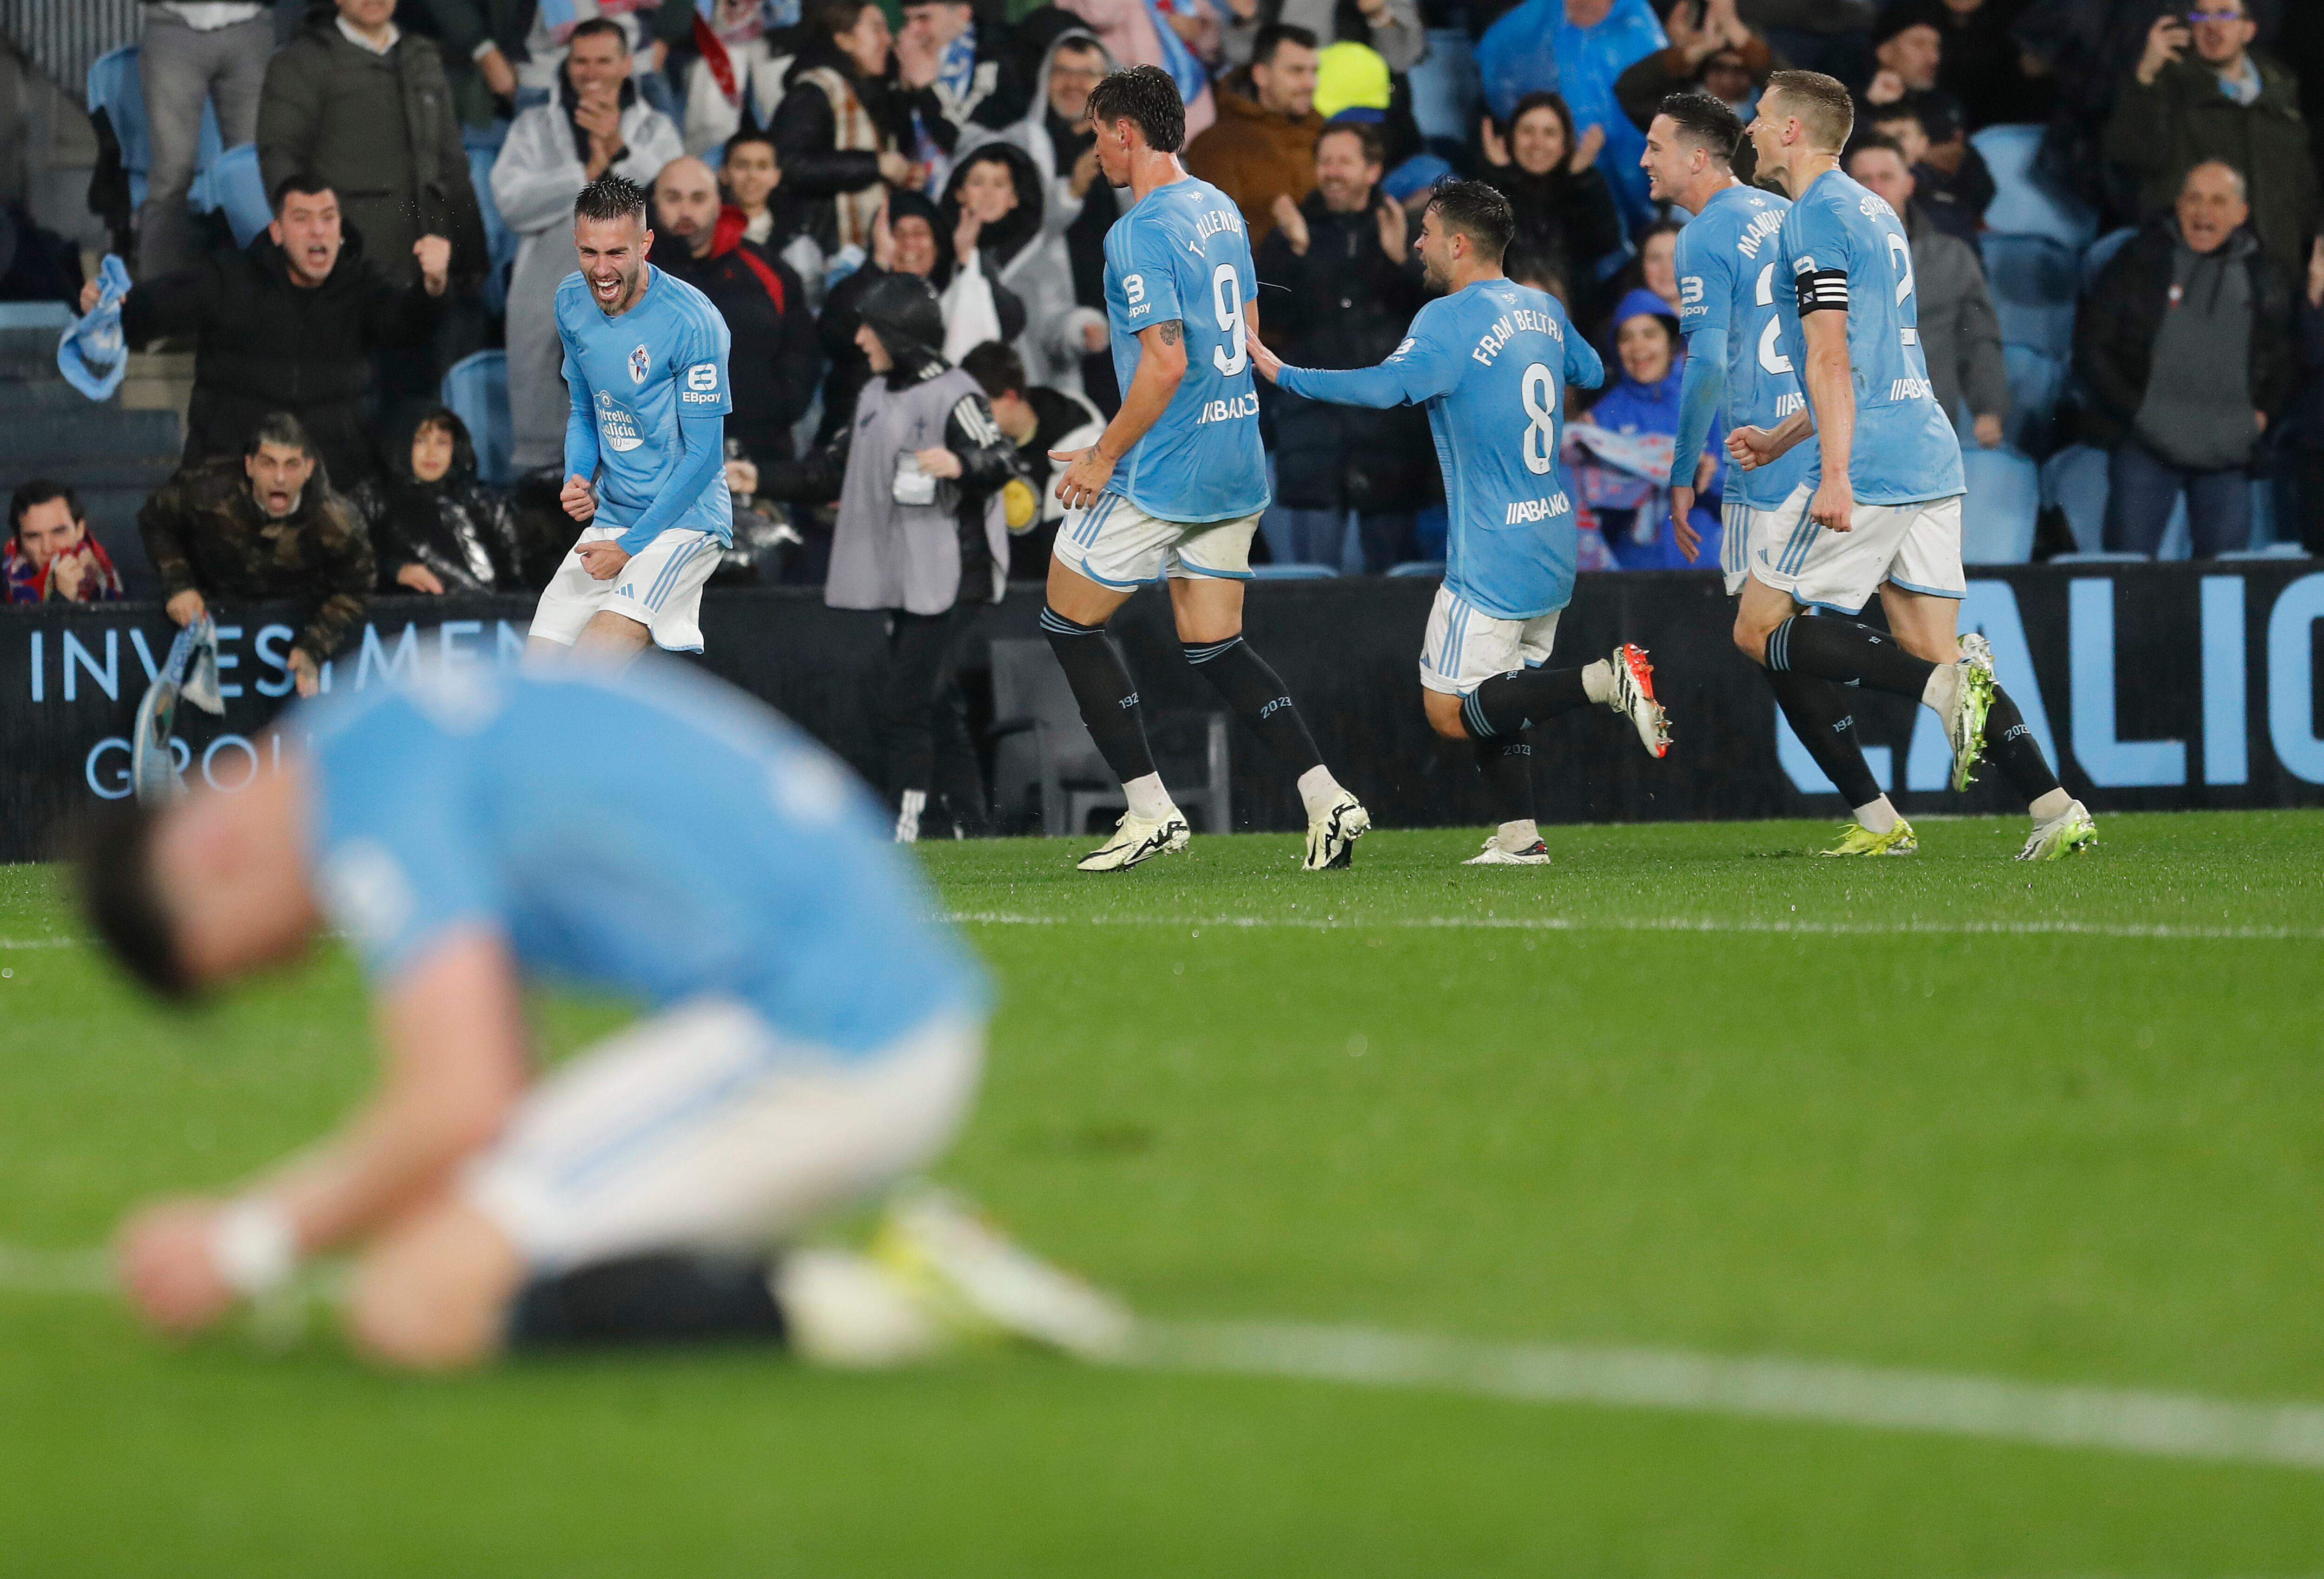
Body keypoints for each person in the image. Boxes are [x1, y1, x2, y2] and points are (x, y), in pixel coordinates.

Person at [82, 662, 1126, 1372]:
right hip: (852, 991)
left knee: (415, 1307)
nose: (301, 956)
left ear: (205, 860)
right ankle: (900, 1283)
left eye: (263, 954)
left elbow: (462, 1096)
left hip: (825, 1033)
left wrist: (244, 1241)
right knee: (435, 1256)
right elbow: (499, 1086)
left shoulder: (362, 788)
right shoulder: (382, 718)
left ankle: (902, 1298)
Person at [1725, 71, 2093, 862]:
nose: (1749, 130)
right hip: (1925, 441)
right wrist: (1782, 439)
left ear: (1793, 130)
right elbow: (1867, 357)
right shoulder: (1873, 209)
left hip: (1874, 460)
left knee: (1760, 629)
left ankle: (1904, 771)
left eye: (1759, 118)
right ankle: (2054, 805)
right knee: (1933, 644)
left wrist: (1831, 470)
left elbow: (1828, 354)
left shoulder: (1814, 219)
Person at [1247, 181, 1670, 866]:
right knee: (1503, 697)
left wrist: (1285, 373)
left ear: (1460, 243)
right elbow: (1590, 370)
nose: (1417, 242)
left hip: (1493, 550)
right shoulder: (1543, 306)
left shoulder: (1446, 319)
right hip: (1552, 537)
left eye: (1426, 230)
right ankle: (1518, 835)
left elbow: (1384, 389)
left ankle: (1606, 679)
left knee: (1451, 709)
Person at [1043, 65, 1369, 872]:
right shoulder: (1219, 204)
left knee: (1065, 617)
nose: (1095, 151)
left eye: (1096, 133)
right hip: (1237, 455)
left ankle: (1150, 808)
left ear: (1126, 131)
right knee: (1214, 642)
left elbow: (1162, 364)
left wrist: (1101, 454)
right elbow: (1248, 321)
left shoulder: (1138, 231)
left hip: (1171, 468)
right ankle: (1329, 797)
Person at [1647, 90, 1905, 841]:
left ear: (1698, 157)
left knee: (1763, 636)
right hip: (1822, 433)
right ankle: (1878, 808)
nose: (1644, 160)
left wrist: (1681, 469)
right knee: (1781, 640)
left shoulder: (1701, 239)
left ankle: (1934, 700)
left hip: (1763, 459)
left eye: (1657, 147)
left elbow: (1703, 368)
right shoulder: (1785, 209)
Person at [754, 277, 1026, 841]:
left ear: (899, 334)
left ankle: (912, 825)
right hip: (911, 573)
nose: (858, 339)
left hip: (958, 573)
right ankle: (972, 828)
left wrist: (959, 464)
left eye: (869, 327)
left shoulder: (957, 393)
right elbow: (830, 471)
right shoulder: (875, 396)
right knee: (936, 699)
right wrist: (758, 477)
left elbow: (1000, 458)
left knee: (907, 700)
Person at [89, 175, 453, 491]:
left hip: (332, 485)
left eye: (329, 219)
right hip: (232, 485)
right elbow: (158, 306)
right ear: (277, 232)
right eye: (302, 219)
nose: (318, 231)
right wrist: (113, 307)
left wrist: (433, 287)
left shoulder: (361, 285)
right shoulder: (230, 279)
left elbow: (408, 324)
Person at [525, 175, 733, 666]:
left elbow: (704, 457)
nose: (601, 271)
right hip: (615, 515)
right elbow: (584, 408)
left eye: (616, 253)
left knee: (591, 666)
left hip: (685, 521)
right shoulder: (570, 302)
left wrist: (630, 545)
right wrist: (578, 475)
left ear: (645, 244)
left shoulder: (694, 323)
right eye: (589, 254)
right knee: (536, 681)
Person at [494, 18, 686, 477]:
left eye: (603, 60)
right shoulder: (533, 126)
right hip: (547, 292)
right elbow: (511, 202)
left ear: (626, 63)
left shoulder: (655, 128)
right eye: (581, 60)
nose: (591, 71)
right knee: (548, 448)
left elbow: (672, 201)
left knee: (633, 436)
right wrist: (584, 174)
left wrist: (618, 150)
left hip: (635, 301)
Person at [2076, 160, 2291, 559]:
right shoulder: (2139, 260)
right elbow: (2095, 343)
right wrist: (2137, 411)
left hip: (2228, 454)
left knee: (2226, 585)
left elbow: (2284, 356)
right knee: (2124, 577)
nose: (2203, 212)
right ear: (2178, 205)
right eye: (2194, 198)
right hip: (2147, 446)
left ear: (2240, 213)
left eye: (2217, 201)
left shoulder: (2266, 275)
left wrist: (2260, 417)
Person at [1253, 120, 1433, 572]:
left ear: (1372, 170)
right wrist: (1294, 250)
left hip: (1388, 431)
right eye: (1324, 161)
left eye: (1343, 161)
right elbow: (1263, 315)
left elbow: (1439, 313)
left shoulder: (1409, 232)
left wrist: (1401, 263)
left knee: (1391, 577)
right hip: (1313, 425)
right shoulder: (1291, 230)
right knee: (1315, 581)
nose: (1331, 172)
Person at [137, 413, 376, 697]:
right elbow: (155, 520)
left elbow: (357, 585)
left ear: (309, 469)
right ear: (249, 466)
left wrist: (315, 645)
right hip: (209, 612)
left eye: (292, 465)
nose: (279, 478)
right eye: (268, 464)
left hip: (293, 619)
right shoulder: (205, 490)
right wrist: (178, 584)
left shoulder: (337, 520)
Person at [256, 0, 488, 291]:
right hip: (349, 275)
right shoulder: (300, 63)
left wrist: (472, 260)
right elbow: (281, 160)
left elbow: (452, 165)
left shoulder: (423, 57)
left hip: (430, 268)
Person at [956, 30, 1121, 399]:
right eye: (1062, 71)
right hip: (1046, 325)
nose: (1074, 84)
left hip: (1119, 318)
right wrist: (1072, 190)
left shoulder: (1129, 148)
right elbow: (1011, 228)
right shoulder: (1021, 145)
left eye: (1087, 74)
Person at [2103, 0, 2318, 281]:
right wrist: (2146, 76)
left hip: (2275, 280)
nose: (2212, 25)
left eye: (2225, 14)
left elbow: (2304, 193)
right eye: (2201, 15)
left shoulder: (2281, 98)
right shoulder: (2171, 85)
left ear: (2249, 29)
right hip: (2191, 274)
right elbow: (2129, 155)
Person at [651, 156, 823, 472]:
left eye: (698, 198)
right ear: (654, 203)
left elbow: (804, 352)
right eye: (673, 198)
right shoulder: (624, 275)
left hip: (758, 460)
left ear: (719, 203)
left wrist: (777, 409)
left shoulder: (768, 271)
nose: (686, 212)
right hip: (652, 464)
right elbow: (580, 357)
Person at [818, 189, 1030, 442]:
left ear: (938, 244)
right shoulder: (858, 287)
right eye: (897, 234)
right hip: (860, 441)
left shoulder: (955, 288)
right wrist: (878, 265)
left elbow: (1009, 322)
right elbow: (835, 332)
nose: (908, 244)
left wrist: (968, 259)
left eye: (919, 233)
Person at [1845, 135, 2007, 450]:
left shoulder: (1951, 257)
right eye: (1865, 180)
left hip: (1927, 430)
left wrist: (1989, 408)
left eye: (1887, 177)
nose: (1876, 188)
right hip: (1846, 430)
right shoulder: (1820, 258)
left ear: (1909, 184)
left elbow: (1978, 338)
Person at [1477, 0, 1671, 230]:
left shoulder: (1636, 19)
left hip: (1639, 170)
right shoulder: (1528, 23)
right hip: (1546, 187)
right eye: (1529, 130)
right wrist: (1506, 173)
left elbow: (1664, 90)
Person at [136, 1, 276, 280]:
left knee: (257, 175)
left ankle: (267, 298)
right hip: (172, 22)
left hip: (251, 23)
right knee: (171, 177)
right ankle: (157, 306)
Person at [773, 0, 923, 259]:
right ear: (844, 40)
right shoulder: (813, 93)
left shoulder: (878, 95)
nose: (888, 40)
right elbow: (789, 164)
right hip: (822, 255)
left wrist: (904, 174)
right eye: (876, 29)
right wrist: (876, 166)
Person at [1578, 287, 1705, 568]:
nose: (1638, 348)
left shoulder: (1704, 401)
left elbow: (1736, 481)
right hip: (1631, 574)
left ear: (1672, 342)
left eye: (1649, 335)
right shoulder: (1599, 419)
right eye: (1626, 338)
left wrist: (1705, 470)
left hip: (1705, 563)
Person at [961, 339, 1104, 579]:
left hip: (1061, 587)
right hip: (1001, 594)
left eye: (982, 408)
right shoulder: (973, 448)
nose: (973, 420)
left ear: (1010, 397)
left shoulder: (1077, 439)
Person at [348, 408, 528, 595]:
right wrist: (396, 571)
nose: (432, 453)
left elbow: (517, 571)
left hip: (494, 618)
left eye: (442, 442)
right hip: (410, 617)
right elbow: (340, 557)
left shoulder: (483, 503)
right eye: (421, 441)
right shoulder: (374, 496)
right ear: (402, 443)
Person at [1479, 93, 1625, 310]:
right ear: (1510, 139)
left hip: (1575, 322)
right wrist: (1501, 177)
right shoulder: (1488, 185)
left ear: (1565, 144)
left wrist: (1581, 181)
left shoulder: (1585, 186)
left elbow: (1605, 242)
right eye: (1528, 131)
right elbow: (1485, 248)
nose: (1537, 143)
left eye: (1550, 133)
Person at [1183, 24, 1324, 248]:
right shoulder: (1216, 146)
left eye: (1314, 71)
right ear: (1261, 75)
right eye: (1297, 71)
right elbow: (1219, 241)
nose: (1311, 84)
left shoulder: (1326, 133)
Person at [1615, 0, 1776, 154]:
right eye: (1718, 68)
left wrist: (1735, 31)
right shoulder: (1679, 117)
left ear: (1753, 73)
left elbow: (1793, 94)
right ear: (1703, 71)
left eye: (1739, 71)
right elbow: (1629, 91)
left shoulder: (1771, 118)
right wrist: (1692, 53)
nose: (1727, 80)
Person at [891, 0, 1031, 154]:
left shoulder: (998, 58)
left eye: (924, 19)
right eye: (907, 20)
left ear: (963, 14)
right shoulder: (902, 59)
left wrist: (927, 88)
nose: (912, 30)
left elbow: (969, 146)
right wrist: (904, 88)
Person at [1221, 0, 1423, 73]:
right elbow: (1238, 55)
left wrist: (1379, 14)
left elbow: (1400, 60)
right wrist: (1250, 20)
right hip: (1282, 114)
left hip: (1358, 115)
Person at [4, 482, 124, 604]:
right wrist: (62, 599)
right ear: (19, 542)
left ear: (80, 530)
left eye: (59, 532)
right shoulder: (5, 582)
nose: (47, 549)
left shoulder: (114, 574)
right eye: (33, 537)